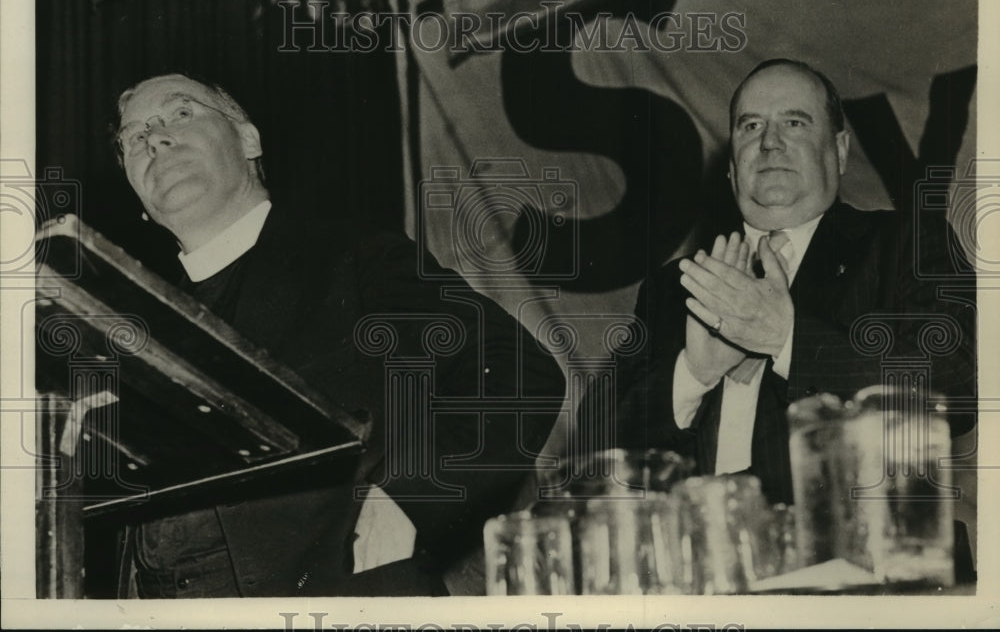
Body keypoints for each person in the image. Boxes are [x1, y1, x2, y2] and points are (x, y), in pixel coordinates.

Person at [112, 73, 566, 597]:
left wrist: (410, 501)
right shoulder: (131, 325)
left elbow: (516, 371)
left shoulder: (354, 259)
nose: (155, 138)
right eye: (134, 136)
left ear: (249, 140)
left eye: (181, 114)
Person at [602, 59, 976, 508]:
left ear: (838, 150)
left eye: (794, 122)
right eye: (750, 126)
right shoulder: (675, 286)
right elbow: (596, 448)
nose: (769, 142)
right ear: (730, 165)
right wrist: (693, 375)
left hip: (858, 559)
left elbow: (952, 385)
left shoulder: (905, 243)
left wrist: (787, 339)